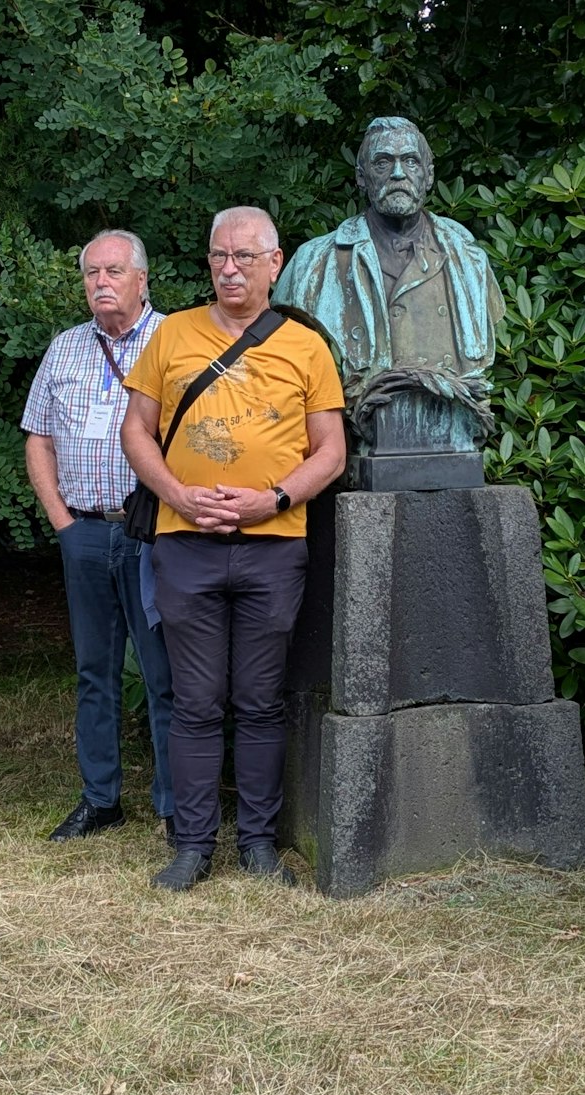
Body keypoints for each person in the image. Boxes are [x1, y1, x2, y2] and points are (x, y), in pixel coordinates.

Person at [120, 206, 346, 891]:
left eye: (244, 257)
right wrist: (176, 495)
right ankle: (191, 846)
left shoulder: (305, 346)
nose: (229, 269)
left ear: (274, 264)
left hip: (272, 545)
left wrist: (273, 499)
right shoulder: (173, 335)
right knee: (192, 700)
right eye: (219, 256)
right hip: (184, 540)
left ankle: (257, 844)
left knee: (258, 699)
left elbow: (330, 450)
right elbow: (137, 431)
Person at [23, 230, 175, 840]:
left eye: (113, 271)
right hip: (84, 530)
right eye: (91, 273)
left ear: (142, 278)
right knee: (95, 670)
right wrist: (60, 519)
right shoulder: (64, 349)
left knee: (165, 671)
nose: (101, 282)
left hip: (156, 533)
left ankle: (173, 803)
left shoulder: (176, 340)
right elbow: (37, 436)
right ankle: (101, 798)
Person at [273, 116, 504, 456]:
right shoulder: (313, 264)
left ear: (428, 176)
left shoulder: (468, 259)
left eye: (410, 161)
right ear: (362, 178)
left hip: (454, 448)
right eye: (383, 162)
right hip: (358, 452)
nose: (398, 173)